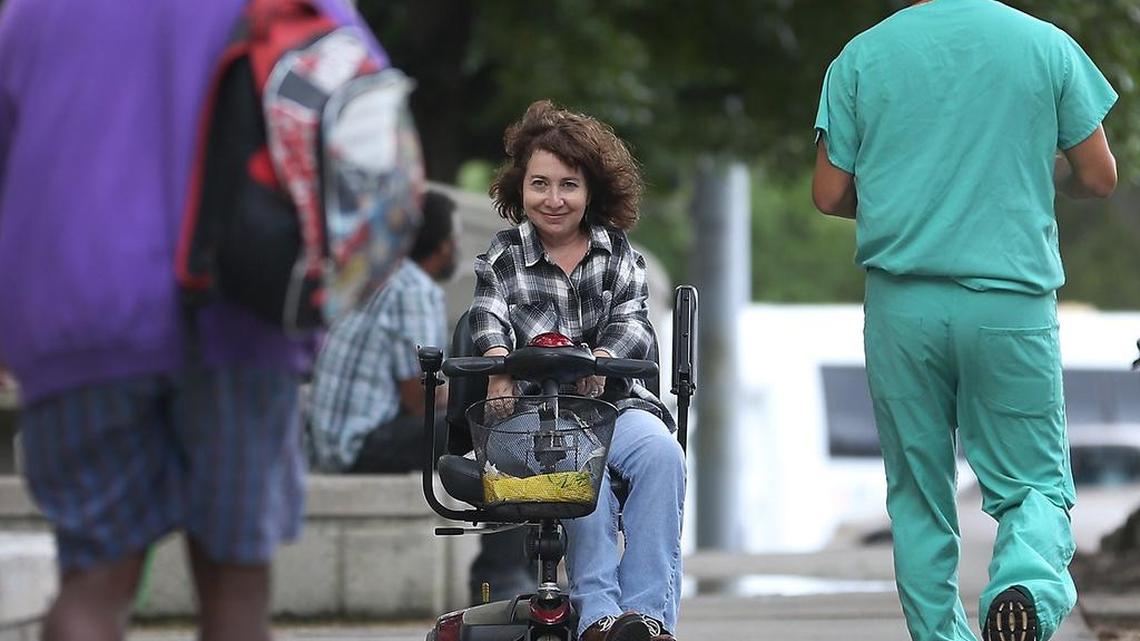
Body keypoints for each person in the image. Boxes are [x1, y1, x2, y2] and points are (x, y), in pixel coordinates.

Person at [0, 1, 391, 640]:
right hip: (239, 308)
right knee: (236, 586)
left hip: (75, 310)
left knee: (94, 582)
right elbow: (366, 107)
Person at [812, 2, 1118, 641]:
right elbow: (1099, 176)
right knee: (1033, 483)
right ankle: (1024, 586)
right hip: (1010, 301)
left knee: (919, 497)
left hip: (903, 307)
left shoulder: (862, 54)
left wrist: (906, 195)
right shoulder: (1046, 46)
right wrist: (1032, 172)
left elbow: (830, 194)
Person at [470, 100, 686, 641]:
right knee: (574, 461)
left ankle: (647, 620)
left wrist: (603, 364)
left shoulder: (619, 255)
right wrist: (499, 367)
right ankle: (599, 618)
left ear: (591, 191)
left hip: (614, 409)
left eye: (568, 185)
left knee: (662, 454)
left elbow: (635, 326)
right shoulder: (502, 257)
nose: (553, 199)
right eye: (540, 184)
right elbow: (487, 319)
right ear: (520, 189)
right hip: (532, 418)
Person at [308, 189, 457, 474]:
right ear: (443, 246)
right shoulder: (415, 289)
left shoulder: (379, 270)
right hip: (358, 449)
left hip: (326, 445)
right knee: (471, 423)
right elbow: (420, 400)